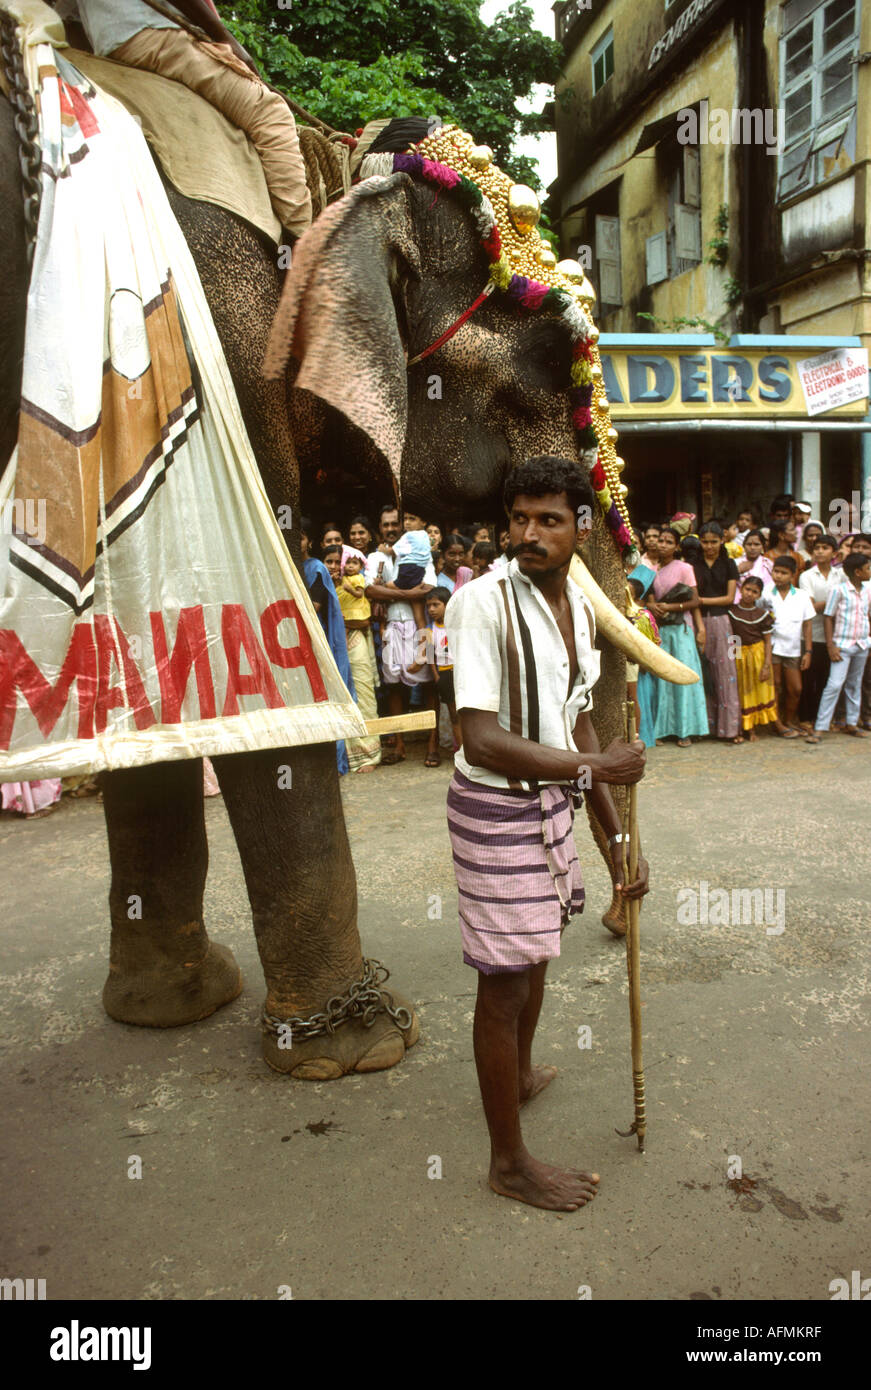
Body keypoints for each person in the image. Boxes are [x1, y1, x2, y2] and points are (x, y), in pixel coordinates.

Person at [444, 455, 648, 1212]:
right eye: (519, 519)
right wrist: (595, 764)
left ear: (581, 528)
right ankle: (507, 1164)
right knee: (502, 981)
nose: (528, 534)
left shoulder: (577, 604)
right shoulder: (481, 604)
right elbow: (481, 739)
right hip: (496, 807)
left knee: (534, 958)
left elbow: (577, 714)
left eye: (548, 520)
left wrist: (614, 842)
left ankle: (519, 1076)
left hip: (553, 804)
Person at [75, 0, 312, 238]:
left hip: (108, 40)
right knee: (270, 112)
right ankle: (300, 245)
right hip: (152, 32)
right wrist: (225, 37)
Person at [364, 521, 439, 766]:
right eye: (384, 525)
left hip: (421, 627)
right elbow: (370, 591)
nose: (390, 529)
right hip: (390, 628)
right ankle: (398, 744)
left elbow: (427, 590)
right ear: (380, 530)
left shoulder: (420, 556)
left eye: (394, 525)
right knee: (394, 686)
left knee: (429, 685)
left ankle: (432, 744)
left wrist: (392, 592)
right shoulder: (376, 557)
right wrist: (408, 593)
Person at [647, 528, 708, 746]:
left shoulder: (685, 568)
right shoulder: (650, 570)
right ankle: (662, 729)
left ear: (676, 546)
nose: (662, 544)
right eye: (660, 540)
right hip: (661, 629)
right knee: (662, 677)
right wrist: (653, 606)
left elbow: (695, 601)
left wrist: (672, 606)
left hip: (681, 629)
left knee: (682, 675)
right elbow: (648, 598)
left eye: (668, 541)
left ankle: (685, 731)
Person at [302, 534, 355, 775]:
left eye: (303, 537)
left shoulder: (317, 569)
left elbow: (314, 607)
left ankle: (335, 761)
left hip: (319, 643)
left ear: (308, 541)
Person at [807, 552, 871, 742]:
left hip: (861, 643)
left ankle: (851, 722)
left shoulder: (867, 591)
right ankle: (820, 727)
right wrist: (830, 646)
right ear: (858, 572)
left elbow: (867, 615)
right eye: (868, 568)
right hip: (842, 644)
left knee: (854, 684)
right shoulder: (839, 590)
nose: (870, 571)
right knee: (834, 685)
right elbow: (828, 617)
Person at [693, 521, 741, 743]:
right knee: (704, 673)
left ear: (722, 540)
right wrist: (697, 604)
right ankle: (707, 727)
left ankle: (729, 729)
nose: (709, 546)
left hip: (723, 621)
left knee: (727, 672)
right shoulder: (693, 564)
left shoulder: (729, 564)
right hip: (698, 621)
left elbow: (730, 598)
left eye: (714, 541)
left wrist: (700, 600)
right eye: (705, 542)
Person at [335, 551, 382, 773]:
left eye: (337, 561)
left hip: (355, 640)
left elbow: (363, 619)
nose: (334, 566)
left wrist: (349, 624)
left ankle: (367, 755)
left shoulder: (356, 582)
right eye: (330, 561)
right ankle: (342, 756)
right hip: (333, 643)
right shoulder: (322, 580)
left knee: (363, 695)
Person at [762, 556, 814, 738]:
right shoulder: (766, 593)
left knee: (795, 688)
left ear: (793, 575)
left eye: (784, 573)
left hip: (793, 648)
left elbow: (808, 625)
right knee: (775, 685)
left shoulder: (801, 596)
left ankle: (789, 720)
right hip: (772, 646)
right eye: (776, 571)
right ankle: (776, 723)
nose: (778, 576)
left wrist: (808, 651)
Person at [728, 576, 777, 740]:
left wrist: (766, 665)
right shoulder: (731, 611)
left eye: (754, 592)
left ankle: (755, 727)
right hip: (740, 654)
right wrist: (732, 659)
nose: (750, 594)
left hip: (758, 654)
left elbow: (768, 641)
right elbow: (732, 637)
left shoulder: (763, 615)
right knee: (742, 691)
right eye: (747, 589)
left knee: (757, 690)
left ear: (759, 595)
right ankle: (743, 728)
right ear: (741, 589)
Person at [798, 533, 838, 728]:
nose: (820, 551)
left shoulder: (841, 575)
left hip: (833, 634)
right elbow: (810, 606)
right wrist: (836, 601)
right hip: (811, 633)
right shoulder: (806, 576)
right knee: (808, 678)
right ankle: (805, 717)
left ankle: (822, 719)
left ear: (834, 553)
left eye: (825, 548)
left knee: (826, 679)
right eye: (817, 548)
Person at [416, 587, 461, 756]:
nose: (431, 609)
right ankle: (462, 753)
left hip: (460, 672)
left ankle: (472, 752)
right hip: (445, 675)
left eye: (436, 605)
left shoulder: (457, 625)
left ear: (447, 604)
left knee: (466, 713)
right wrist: (437, 677)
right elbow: (429, 657)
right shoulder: (429, 630)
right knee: (453, 714)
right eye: (428, 606)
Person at [626, 576, 660, 747]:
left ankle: (635, 736)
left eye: (629, 592)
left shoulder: (643, 615)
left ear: (638, 597)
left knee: (632, 697)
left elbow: (654, 641)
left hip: (630, 662)